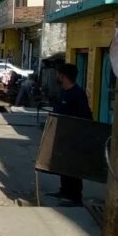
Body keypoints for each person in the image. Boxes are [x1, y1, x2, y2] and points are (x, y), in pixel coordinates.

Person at [46, 63, 93, 204]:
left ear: (63, 76)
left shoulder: (78, 94)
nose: (57, 76)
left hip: (74, 137)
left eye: (58, 74)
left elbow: (86, 117)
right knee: (62, 165)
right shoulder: (63, 92)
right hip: (62, 136)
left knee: (74, 168)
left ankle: (76, 197)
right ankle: (64, 191)